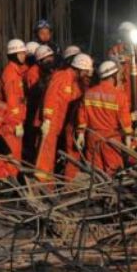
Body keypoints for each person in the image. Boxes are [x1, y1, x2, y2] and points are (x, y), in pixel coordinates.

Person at [34, 53, 93, 181]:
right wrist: (47, 119)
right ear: (80, 69)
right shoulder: (61, 77)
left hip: (59, 123)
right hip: (50, 122)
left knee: (51, 155)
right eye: (86, 71)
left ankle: (48, 184)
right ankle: (41, 184)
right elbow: (50, 96)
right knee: (45, 156)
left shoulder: (75, 82)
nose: (86, 74)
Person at [77, 60, 134, 176]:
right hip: (111, 140)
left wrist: (81, 134)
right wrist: (128, 143)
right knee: (114, 173)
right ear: (113, 76)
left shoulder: (88, 93)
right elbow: (126, 123)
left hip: (92, 138)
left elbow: (81, 116)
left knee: (95, 175)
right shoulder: (119, 96)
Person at [1, 39, 28, 139]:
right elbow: (11, 99)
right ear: (13, 56)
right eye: (20, 54)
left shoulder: (17, 71)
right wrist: (16, 122)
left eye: (24, 53)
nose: (24, 56)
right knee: (14, 148)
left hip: (17, 117)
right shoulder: (10, 74)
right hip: (12, 121)